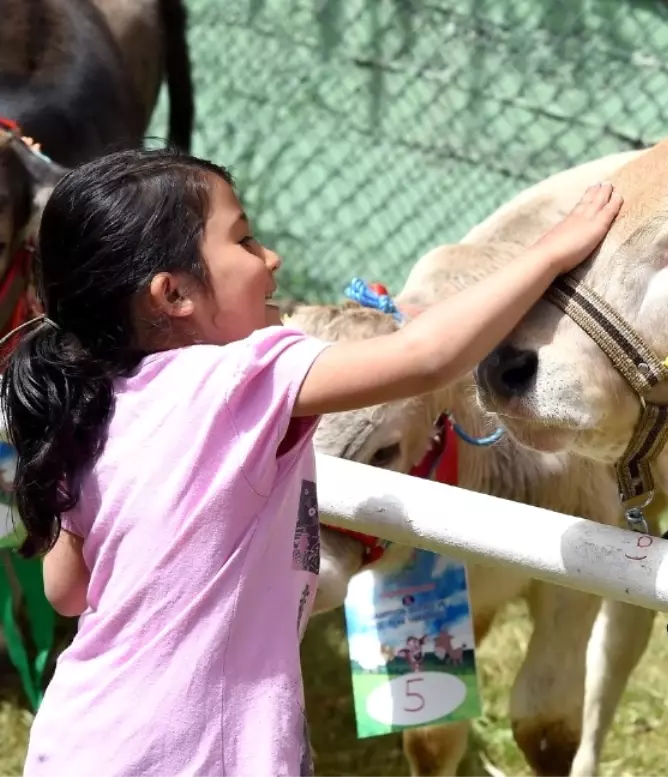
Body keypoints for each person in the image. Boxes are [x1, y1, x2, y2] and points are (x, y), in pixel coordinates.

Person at [0, 147, 622, 776]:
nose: (273, 258)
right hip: (206, 754)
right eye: (244, 241)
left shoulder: (91, 410)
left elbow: (68, 590)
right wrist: (550, 254)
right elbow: (427, 357)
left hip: (79, 739)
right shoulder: (242, 376)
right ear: (174, 294)